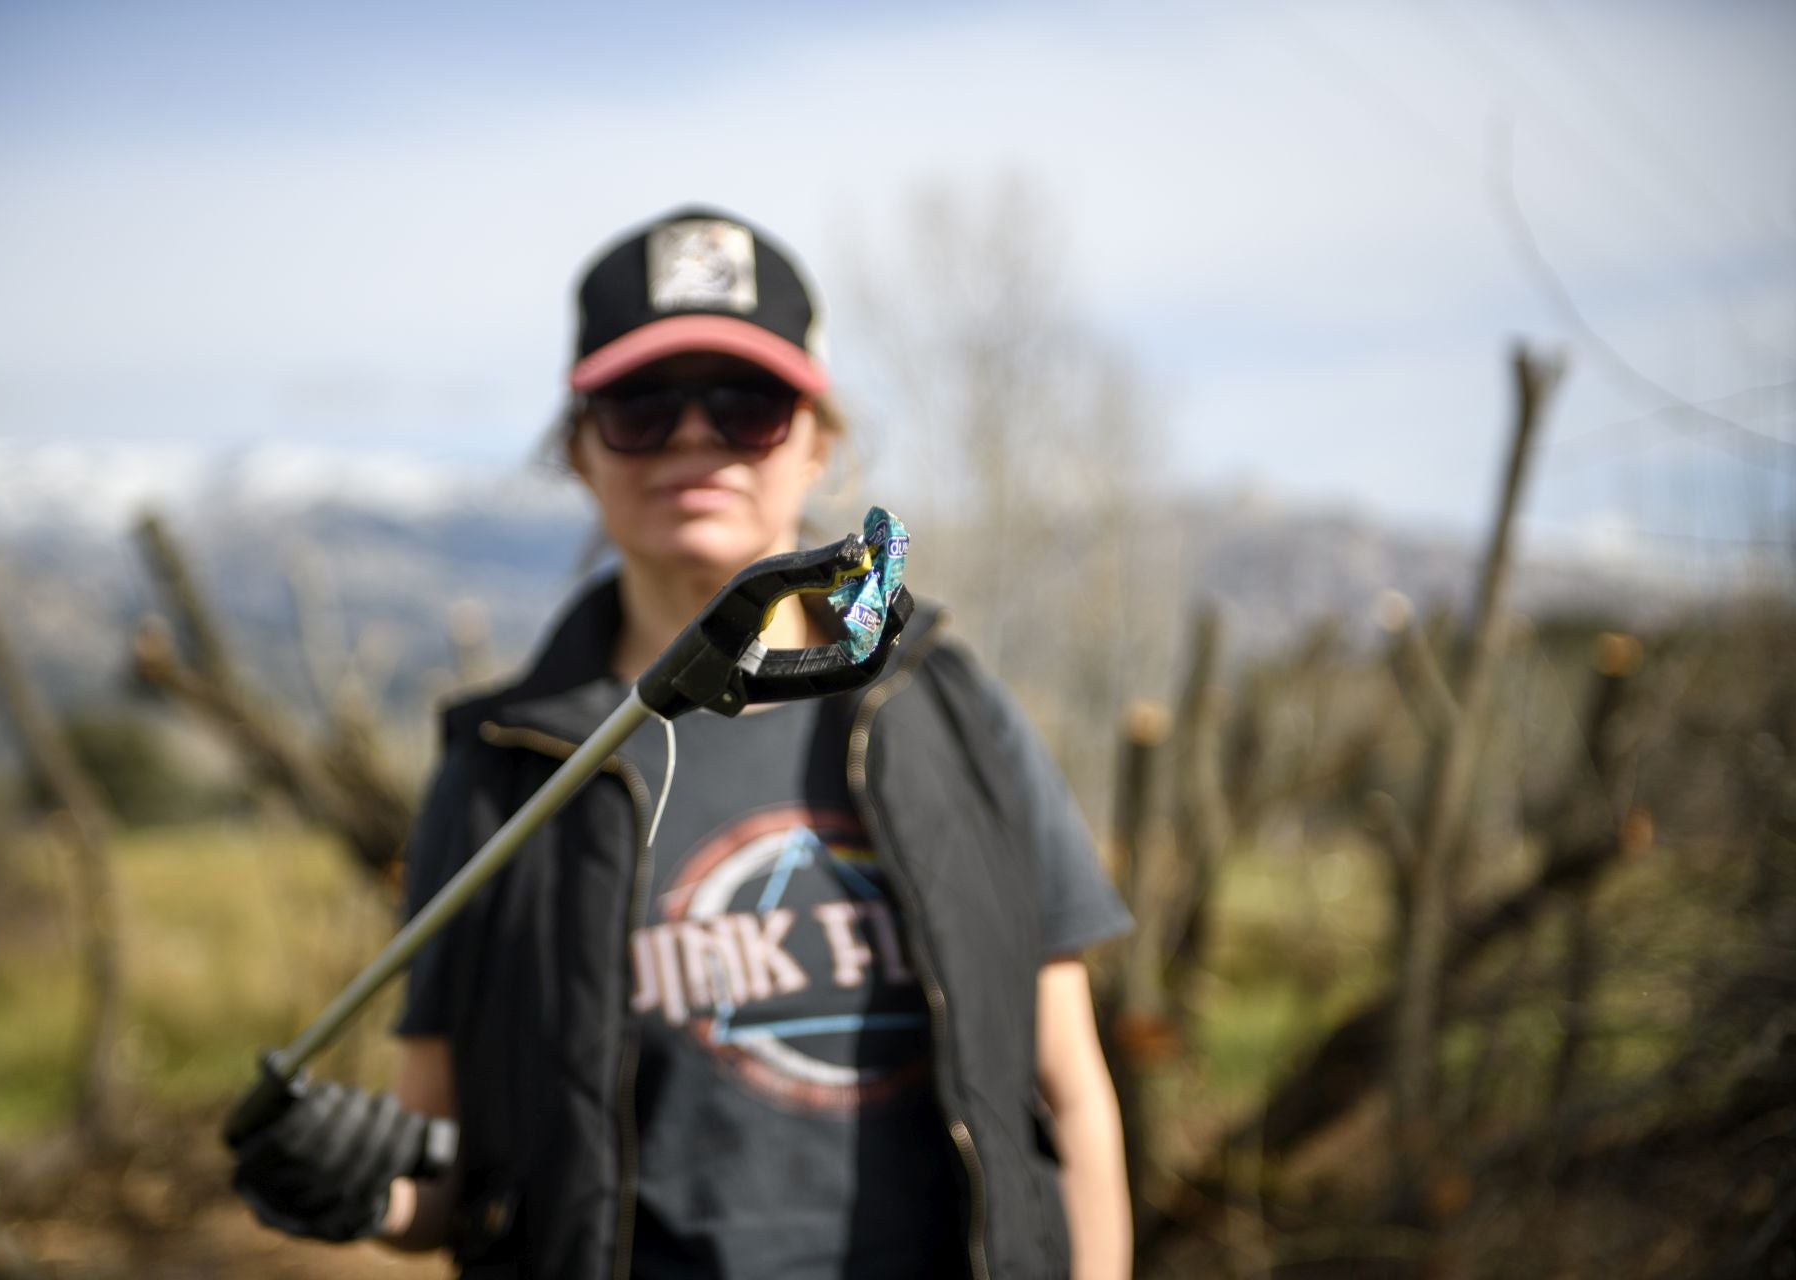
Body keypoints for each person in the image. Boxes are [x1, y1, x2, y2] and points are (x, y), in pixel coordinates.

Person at [230, 207, 1134, 1279]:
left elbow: (1070, 1094)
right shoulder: (503, 769)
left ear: (819, 440)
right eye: (640, 407)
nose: (695, 440)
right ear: (575, 448)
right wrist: (350, 1183)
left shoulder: (949, 709)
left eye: (748, 404)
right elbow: (444, 1174)